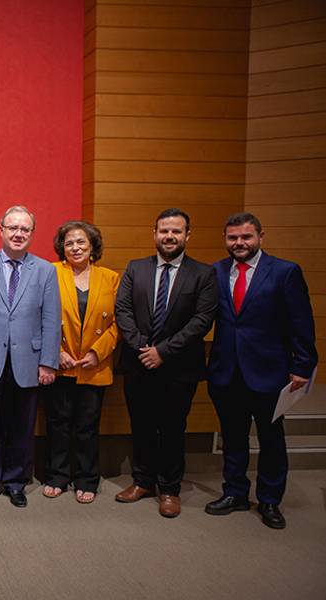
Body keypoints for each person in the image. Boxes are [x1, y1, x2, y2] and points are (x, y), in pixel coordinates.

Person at [205, 212, 317, 529]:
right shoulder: (215, 271)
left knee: (270, 439)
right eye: (233, 238)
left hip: (269, 372)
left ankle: (269, 499)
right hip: (226, 371)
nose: (239, 243)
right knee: (233, 437)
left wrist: (303, 365)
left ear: (260, 237)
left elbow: (301, 323)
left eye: (246, 237)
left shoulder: (284, 272)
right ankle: (235, 492)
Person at [114, 208, 217, 518]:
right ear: (154, 234)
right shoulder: (136, 268)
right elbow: (123, 310)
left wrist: (163, 351)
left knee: (173, 428)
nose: (169, 236)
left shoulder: (203, 274)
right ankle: (142, 481)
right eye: (164, 231)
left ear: (187, 235)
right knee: (142, 425)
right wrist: (143, 348)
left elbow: (202, 320)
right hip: (138, 363)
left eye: (176, 231)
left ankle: (169, 489)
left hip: (179, 368)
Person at [0, 206, 60, 508]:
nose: (19, 233)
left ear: (32, 234)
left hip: (29, 362)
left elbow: (51, 318)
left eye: (25, 229)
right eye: (13, 228)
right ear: (2, 230)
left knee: (22, 426)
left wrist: (48, 361)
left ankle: (16, 482)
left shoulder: (46, 270)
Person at [44, 221, 119, 504]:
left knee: (88, 426)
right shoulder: (51, 272)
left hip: (93, 366)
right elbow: (41, 317)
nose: (75, 247)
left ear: (92, 248)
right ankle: (57, 476)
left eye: (81, 243)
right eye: (69, 243)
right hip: (60, 364)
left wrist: (97, 352)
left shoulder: (110, 278)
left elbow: (117, 323)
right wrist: (55, 352)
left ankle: (88, 478)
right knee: (58, 424)